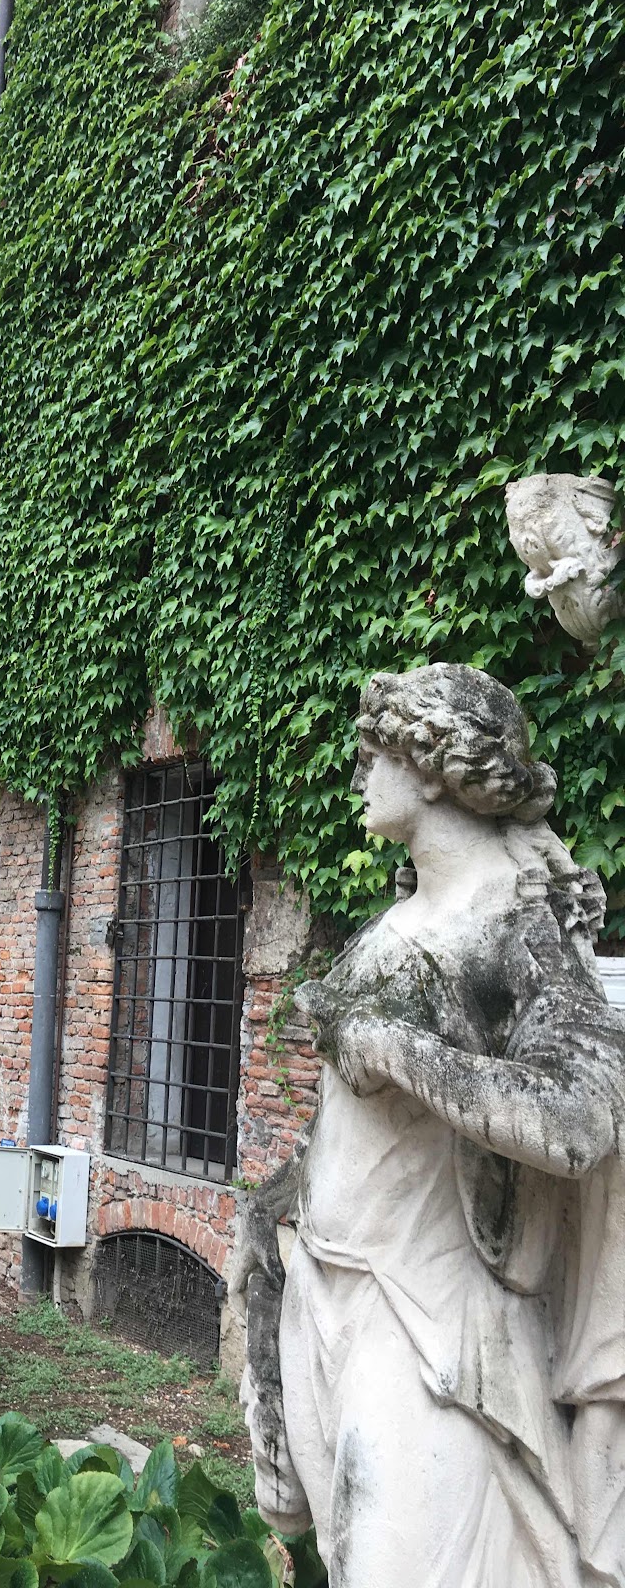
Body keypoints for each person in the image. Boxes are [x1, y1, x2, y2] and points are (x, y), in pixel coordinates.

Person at [230, 662, 625, 1588]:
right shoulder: (398, 920)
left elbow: (583, 1116)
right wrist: (271, 1218)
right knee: (345, 1558)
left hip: (428, 1318)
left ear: (437, 766)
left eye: (376, 752)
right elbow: (350, 1127)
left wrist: (394, 1047)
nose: (358, 773)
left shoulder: (515, 923)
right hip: (329, 1288)